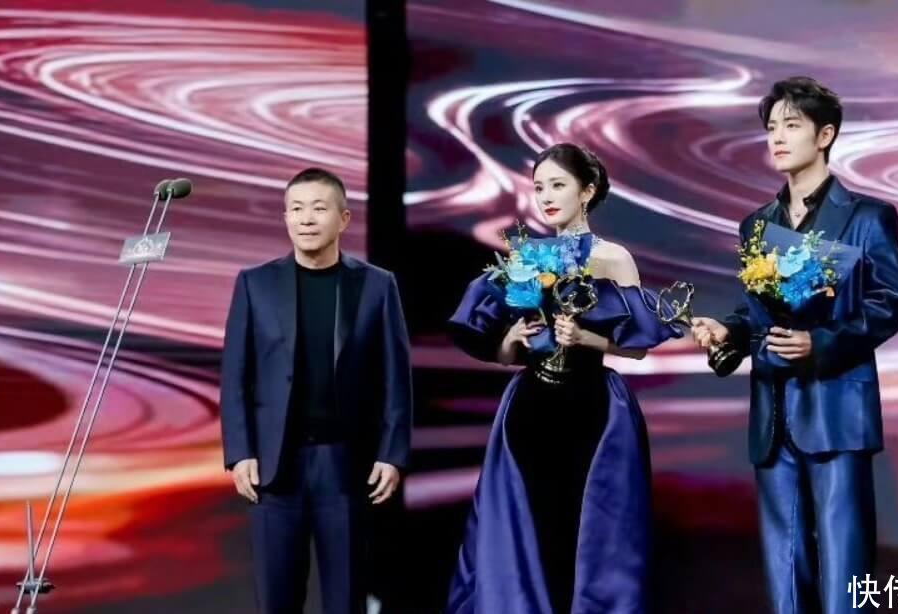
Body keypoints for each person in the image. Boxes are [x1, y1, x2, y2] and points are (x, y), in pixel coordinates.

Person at [692, 76, 898, 614]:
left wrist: (820, 342)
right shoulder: (756, 226)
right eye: (772, 127)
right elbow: (755, 312)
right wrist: (729, 333)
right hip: (772, 412)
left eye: (791, 125)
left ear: (825, 135)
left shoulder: (866, 217)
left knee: (844, 567)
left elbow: (889, 303)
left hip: (837, 406)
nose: (777, 137)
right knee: (784, 566)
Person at [446, 143, 681, 613]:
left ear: (587, 191)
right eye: (539, 188)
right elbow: (504, 354)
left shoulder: (613, 258)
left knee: (585, 529)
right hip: (531, 406)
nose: (547, 197)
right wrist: (511, 339)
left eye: (558, 185)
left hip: (592, 409)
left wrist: (585, 338)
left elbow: (637, 346)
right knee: (528, 522)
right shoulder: (526, 258)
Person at [219, 167, 412, 614]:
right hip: (274, 467)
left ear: (343, 219)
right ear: (285, 217)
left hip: (346, 466)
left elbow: (395, 377)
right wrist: (240, 452)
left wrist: (392, 453)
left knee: (346, 598)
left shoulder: (377, 285)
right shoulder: (254, 284)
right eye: (296, 209)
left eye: (319, 208)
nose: (306, 219)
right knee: (277, 599)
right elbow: (235, 376)